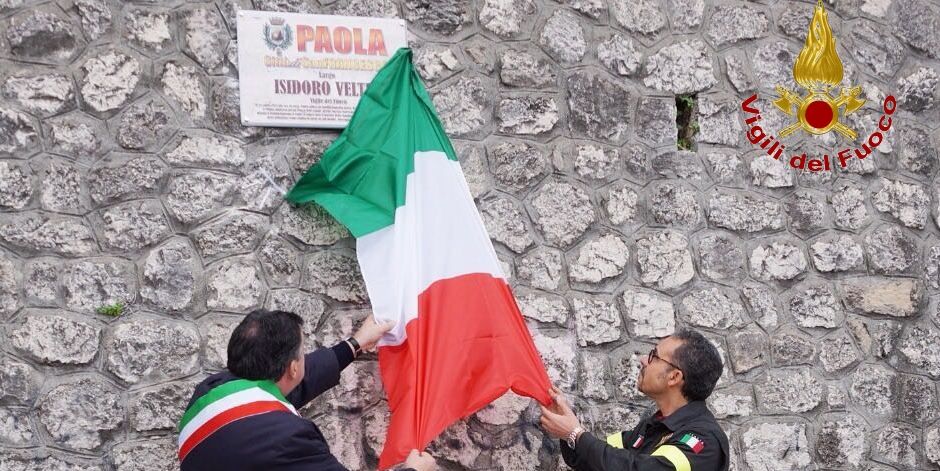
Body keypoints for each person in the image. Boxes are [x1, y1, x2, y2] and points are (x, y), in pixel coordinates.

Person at [178, 309, 437, 471]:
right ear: (291, 367)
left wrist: (356, 343)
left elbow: (295, 384)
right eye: (302, 353)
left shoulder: (210, 393)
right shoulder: (289, 438)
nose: (304, 358)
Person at [539, 328, 729, 471]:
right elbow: (594, 461)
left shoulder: (704, 441)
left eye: (654, 356)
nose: (643, 360)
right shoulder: (652, 427)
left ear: (674, 377)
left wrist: (575, 434)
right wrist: (566, 429)